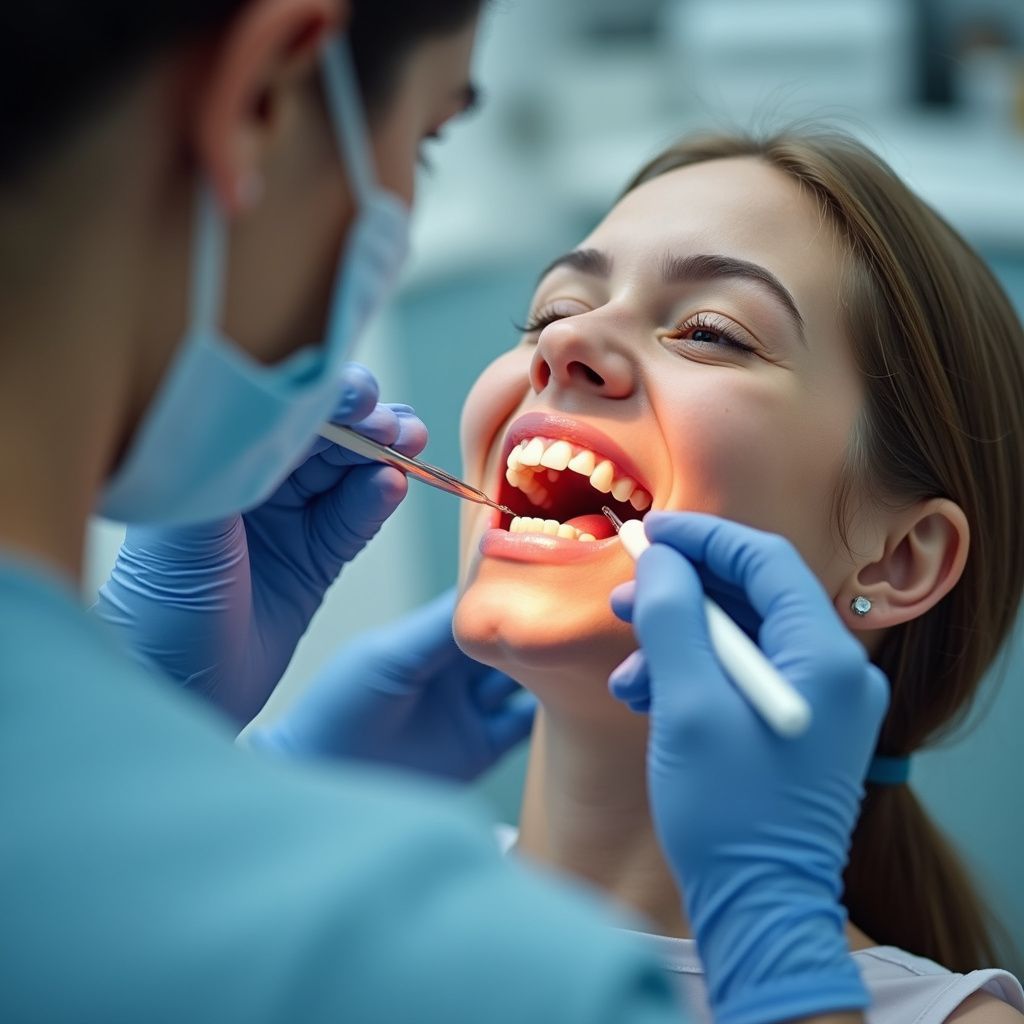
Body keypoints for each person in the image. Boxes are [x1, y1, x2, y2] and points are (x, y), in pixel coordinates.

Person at [0, 0, 892, 1021]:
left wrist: (163, 765)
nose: (564, 346)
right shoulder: (441, 960)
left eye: (709, 330)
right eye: (550, 310)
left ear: (900, 557)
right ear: (261, 99)